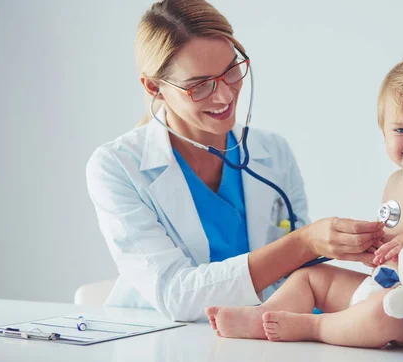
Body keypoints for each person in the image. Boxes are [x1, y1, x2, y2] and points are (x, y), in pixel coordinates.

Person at [85, 0, 385, 323]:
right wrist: (305, 242)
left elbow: (299, 276)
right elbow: (176, 295)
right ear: (154, 87)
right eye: (200, 86)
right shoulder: (116, 167)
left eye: (231, 71)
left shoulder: (274, 152)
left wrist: (348, 248)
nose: (225, 96)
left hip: (262, 338)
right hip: (167, 342)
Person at [205, 56, 403, 348]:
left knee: (382, 311)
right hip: (382, 288)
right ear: (383, 130)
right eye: (401, 130)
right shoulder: (395, 181)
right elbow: (392, 245)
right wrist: (374, 246)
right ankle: (266, 314)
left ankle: (313, 326)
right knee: (310, 276)